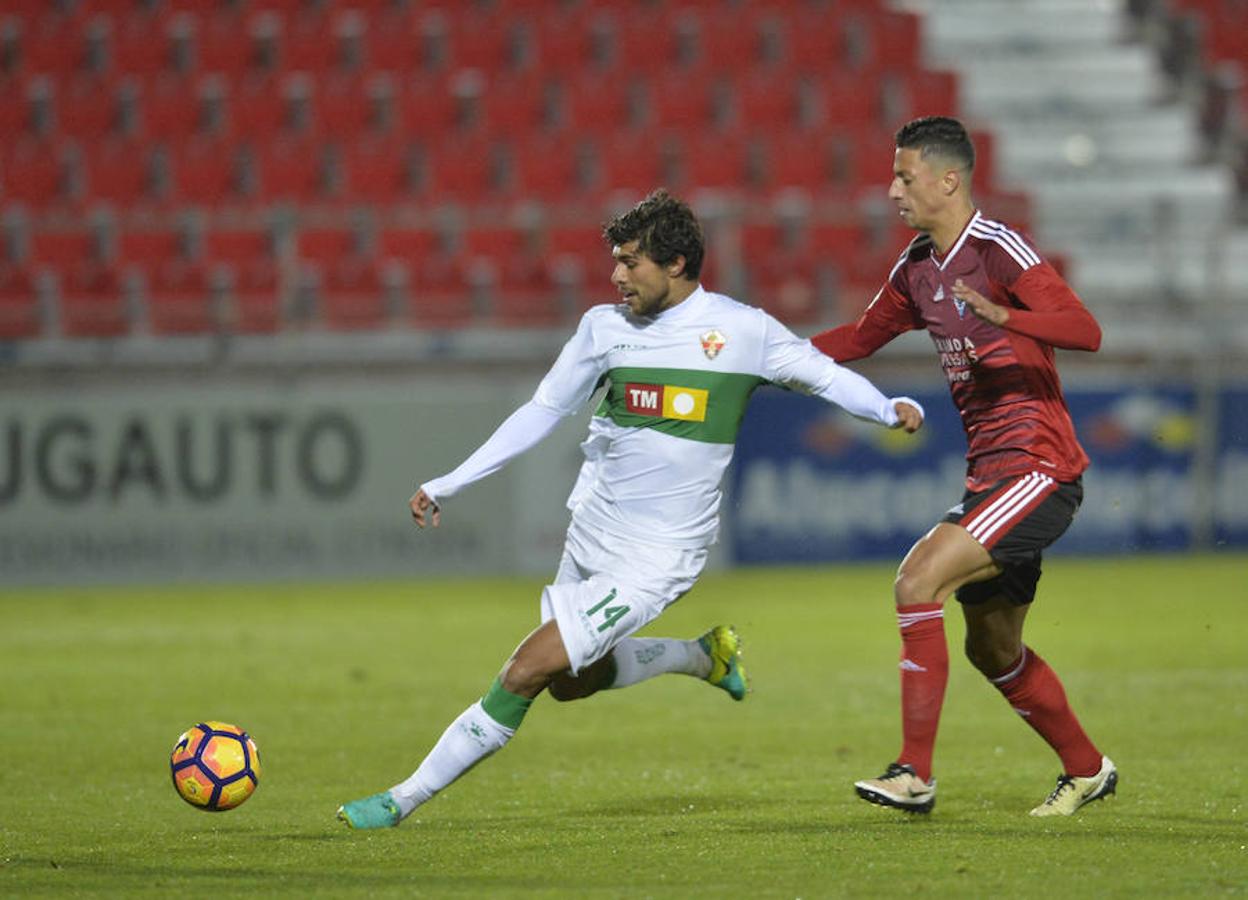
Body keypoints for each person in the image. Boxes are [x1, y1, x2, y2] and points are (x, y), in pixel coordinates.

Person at [337, 189, 925, 829]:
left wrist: (883, 408)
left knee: (526, 670)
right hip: (591, 533)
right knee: (570, 683)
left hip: (658, 556)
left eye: (630, 263)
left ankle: (401, 800)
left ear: (676, 264)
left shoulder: (741, 331)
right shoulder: (603, 328)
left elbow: (821, 373)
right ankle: (703, 657)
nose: (616, 276)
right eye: (615, 262)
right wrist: (452, 480)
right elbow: (543, 411)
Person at [811, 116, 1115, 817]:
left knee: (917, 579)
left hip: (1040, 467)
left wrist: (1009, 319)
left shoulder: (999, 250)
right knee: (993, 647)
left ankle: (913, 773)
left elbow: (1086, 330)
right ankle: (1087, 767)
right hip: (992, 475)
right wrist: (768, 355)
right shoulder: (918, 268)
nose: (892, 190)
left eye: (904, 177)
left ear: (949, 180)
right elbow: (860, 337)